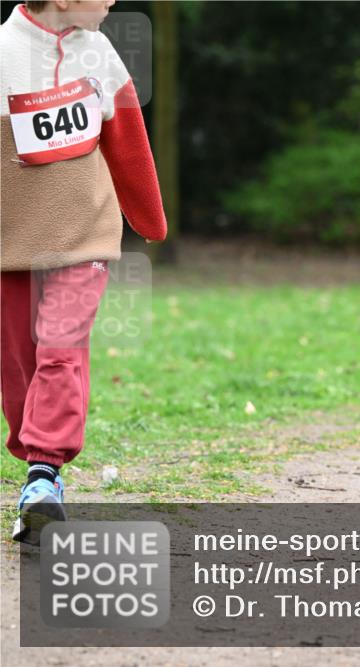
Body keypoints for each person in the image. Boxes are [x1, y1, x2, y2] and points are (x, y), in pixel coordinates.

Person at [1, 0, 168, 543]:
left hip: (85, 239)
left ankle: (43, 473)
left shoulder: (99, 52)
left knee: (60, 346)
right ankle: (34, 460)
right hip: (11, 245)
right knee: (19, 365)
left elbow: (128, 145)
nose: (113, 0)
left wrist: (148, 216)